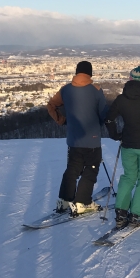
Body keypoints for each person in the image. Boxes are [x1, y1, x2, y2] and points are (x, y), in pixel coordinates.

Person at [104, 66, 140, 229]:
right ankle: (137, 213)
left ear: (130, 80)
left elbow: (109, 119)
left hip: (128, 143)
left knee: (129, 176)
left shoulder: (121, 99)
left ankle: (121, 213)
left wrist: (115, 135)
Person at [47, 60, 108, 215]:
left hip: (73, 139)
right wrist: (99, 124)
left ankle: (65, 200)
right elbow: (104, 114)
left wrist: (61, 120)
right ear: (90, 73)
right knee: (90, 169)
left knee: (72, 169)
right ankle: (82, 202)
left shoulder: (66, 90)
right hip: (92, 139)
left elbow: (51, 105)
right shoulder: (96, 90)